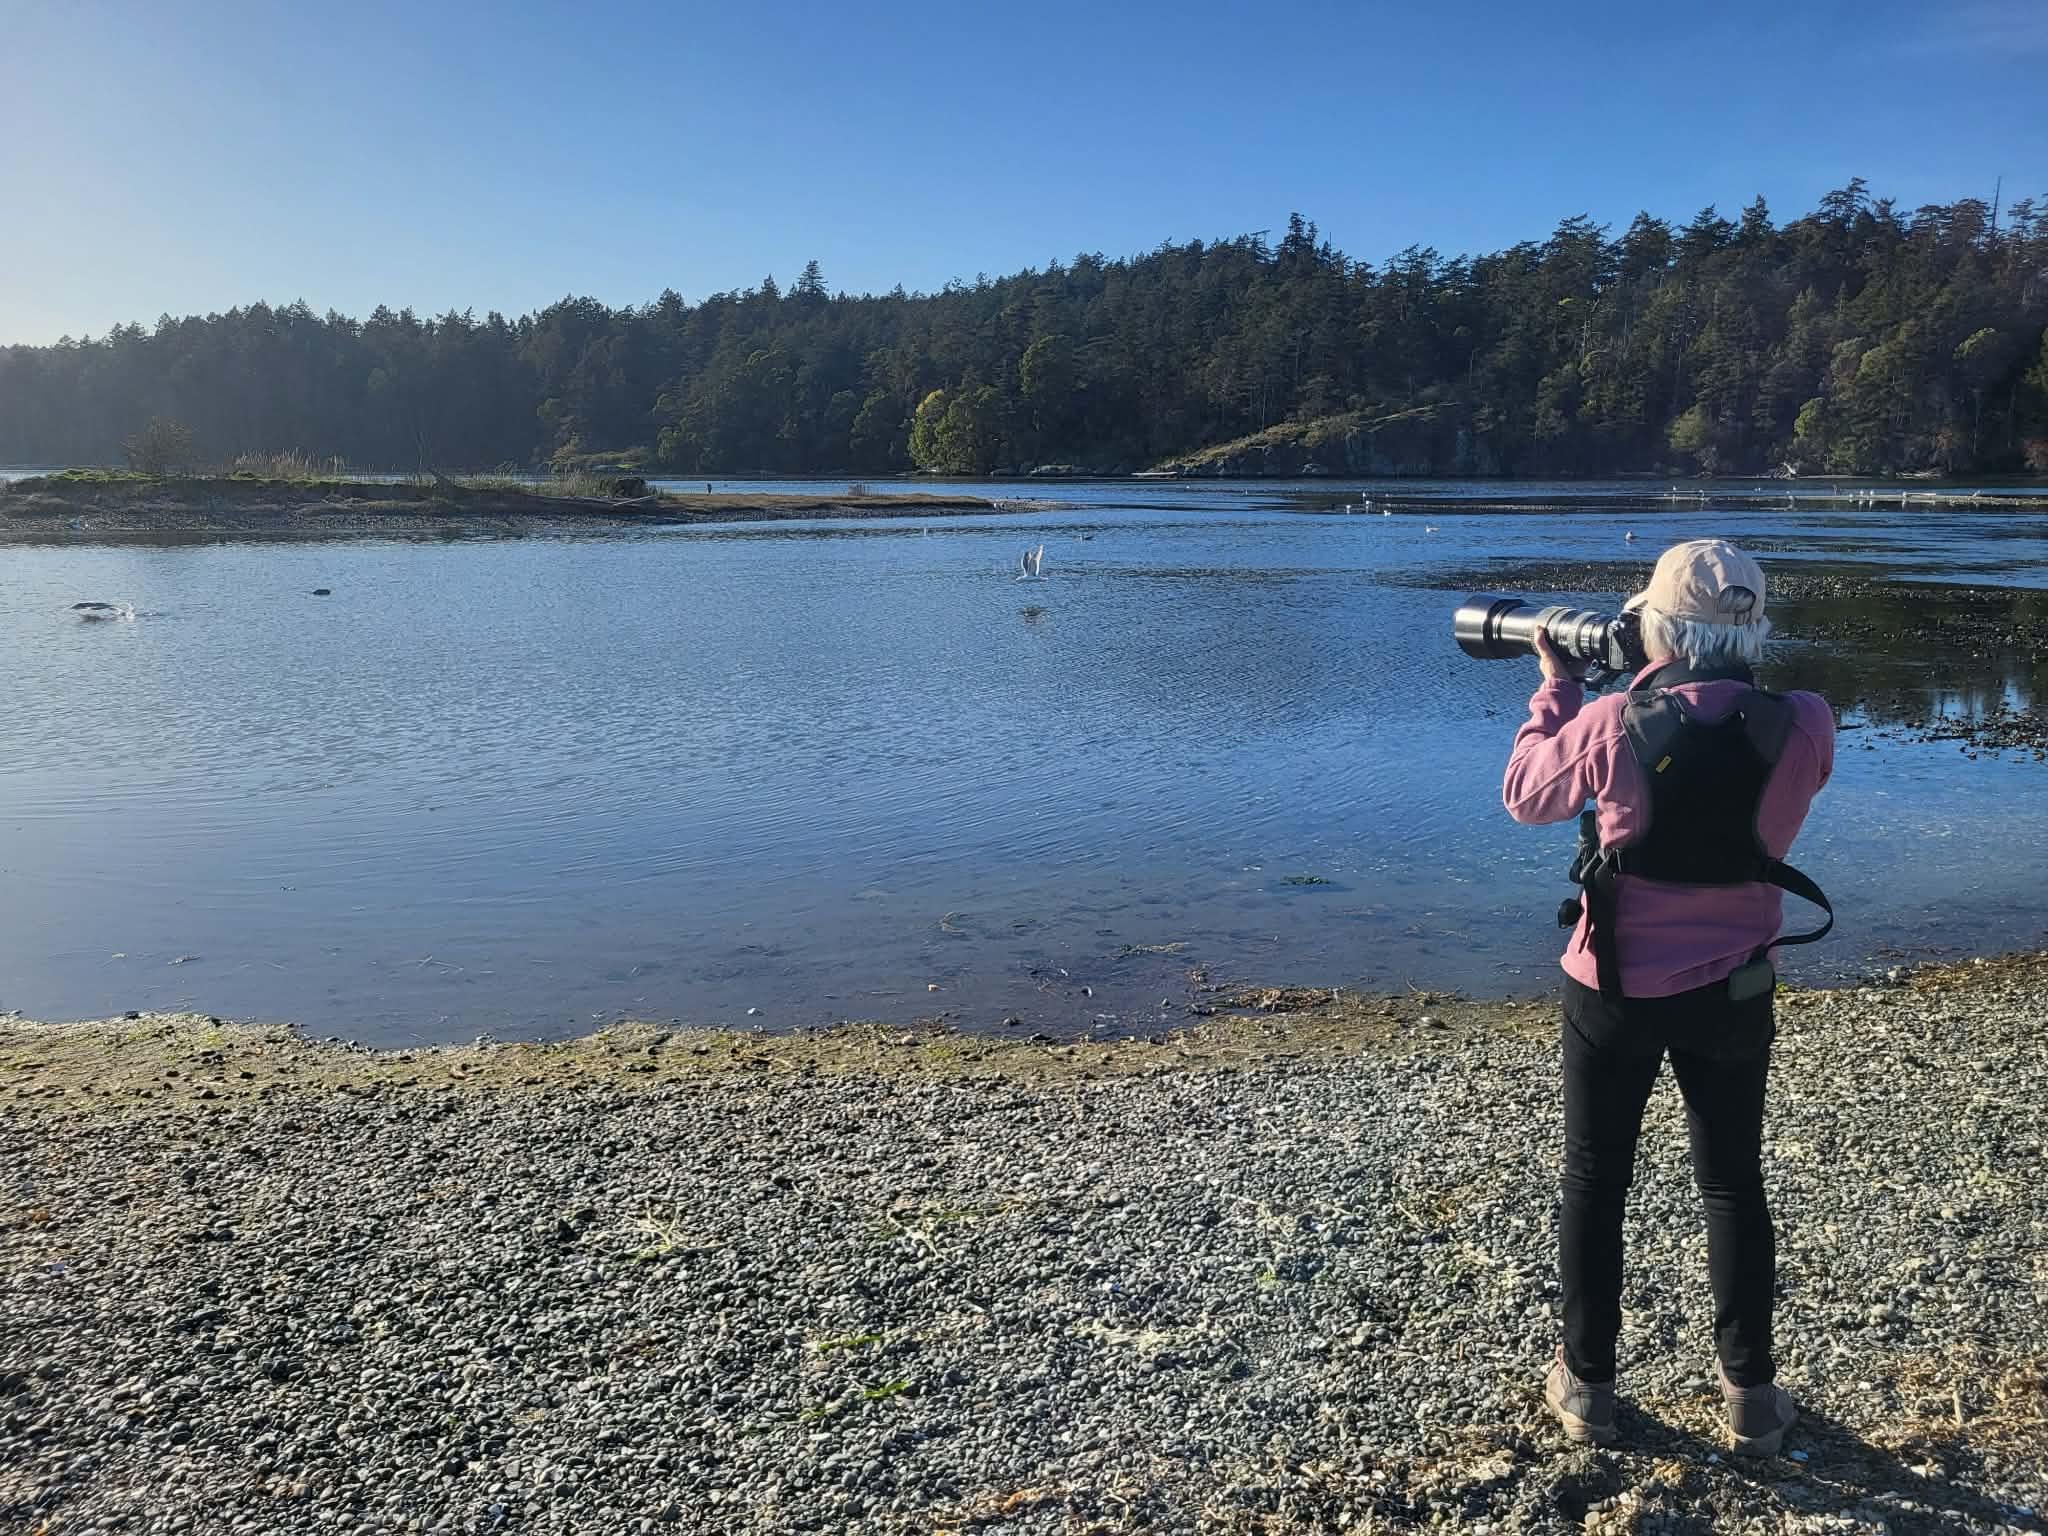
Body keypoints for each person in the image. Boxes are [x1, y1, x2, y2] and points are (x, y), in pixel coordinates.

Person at [1501, 538, 1834, 1456]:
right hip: (1736, 987)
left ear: (1656, 623)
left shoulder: (1612, 720)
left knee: (1595, 1177)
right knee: (1731, 1180)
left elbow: (1525, 794)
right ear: (1754, 629)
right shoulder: (1807, 722)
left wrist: (1556, 689)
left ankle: (1588, 1387)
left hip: (1614, 984)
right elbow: (1781, 778)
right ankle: (1751, 1396)